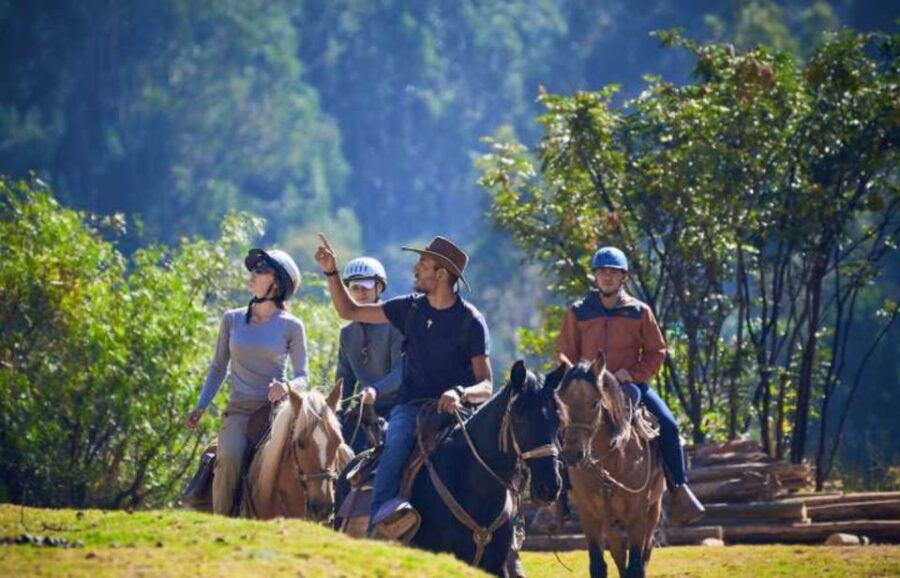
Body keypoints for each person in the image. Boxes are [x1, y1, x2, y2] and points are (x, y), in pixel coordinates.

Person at [313, 233, 492, 537]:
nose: (415, 270)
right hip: (412, 409)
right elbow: (350, 311)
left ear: (442, 273)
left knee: (491, 460)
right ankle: (379, 529)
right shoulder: (409, 308)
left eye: (422, 264)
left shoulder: (470, 320)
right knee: (394, 449)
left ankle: (505, 532)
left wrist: (460, 392)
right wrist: (331, 272)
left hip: (458, 414)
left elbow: (486, 384)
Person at [556, 246, 705, 525]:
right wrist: (576, 375)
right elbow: (564, 352)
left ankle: (680, 490)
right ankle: (557, 499)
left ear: (623, 277)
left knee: (669, 425)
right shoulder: (578, 312)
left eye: (613, 272)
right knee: (555, 427)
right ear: (595, 277)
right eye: (602, 272)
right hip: (587, 391)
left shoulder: (639, 312)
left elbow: (656, 352)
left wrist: (631, 374)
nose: (607, 277)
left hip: (630, 386)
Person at [185, 248, 308, 516]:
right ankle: (222, 521)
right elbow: (218, 367)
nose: (252, 274)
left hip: (277, 413)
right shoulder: (231, 319)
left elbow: (303, 377)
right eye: (254, 269)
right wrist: (200, 406)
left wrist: (286, 387)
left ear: (277, 283)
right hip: (240, 411)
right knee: (229, 458)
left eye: (261, 269)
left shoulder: (292, 326)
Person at [335, 257, 403, 418]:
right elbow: (344, 379)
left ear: (379, 288)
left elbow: (400, 372)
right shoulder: (347, 334)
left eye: (366, 287)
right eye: (355, 288)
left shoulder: (396, 326)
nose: (360, 293)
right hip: (364, 409)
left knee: (396, 442)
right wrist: (336, 411)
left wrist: (375, 390)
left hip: (399, 406)